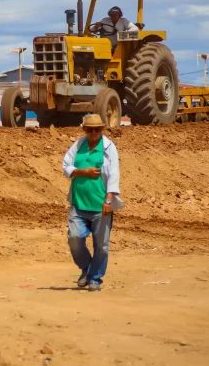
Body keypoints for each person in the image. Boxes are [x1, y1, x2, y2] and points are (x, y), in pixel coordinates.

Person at [62, 113, 124, 291]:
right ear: (84, 130)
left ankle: (95, 278)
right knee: (74, 238)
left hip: (100, 205)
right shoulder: (79, 145)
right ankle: (87, 268)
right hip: (78, 203)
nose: (93, 132)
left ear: (102, 129)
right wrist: (84, 172)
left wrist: (109, 199)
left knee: (101, 245)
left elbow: (114, 173)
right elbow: (66, 166)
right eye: (90, 129)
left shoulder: (109, 147)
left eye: (97, 129)